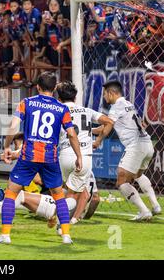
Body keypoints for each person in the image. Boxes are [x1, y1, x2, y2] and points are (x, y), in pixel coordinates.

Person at [0, 71, 82, 245]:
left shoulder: (26, 103)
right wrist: (78, 156)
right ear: (55, 88)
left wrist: (6, 147)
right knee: (58, 196)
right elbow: (72, 134)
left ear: (38, 87)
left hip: (29, 156)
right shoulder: (62, 108)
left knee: (11, 193)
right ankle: (65, 235)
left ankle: (5, 235)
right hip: (50, 157)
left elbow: (13, 125)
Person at [102, 81, 161, 220]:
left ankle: (144, 211)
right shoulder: (129, 104)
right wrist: (91, 130)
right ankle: (156, 205)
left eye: (105, 94)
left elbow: (108, 125)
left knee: (121, 180)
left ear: (111, 93)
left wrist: (98, 140)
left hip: (135, 145)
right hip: (147, 143)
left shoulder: (116, 107)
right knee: (138, 175)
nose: (104, 97)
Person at [56, 81, 113, 224]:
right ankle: (62, 220)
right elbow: (109, 122)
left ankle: (71, 218)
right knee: (73, 193)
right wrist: (98, 141)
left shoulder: (57, 111)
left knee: (75, 190)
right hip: (83, 156)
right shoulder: (87, 111)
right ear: (75, 98)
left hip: (64, 155)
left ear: (59, 99)